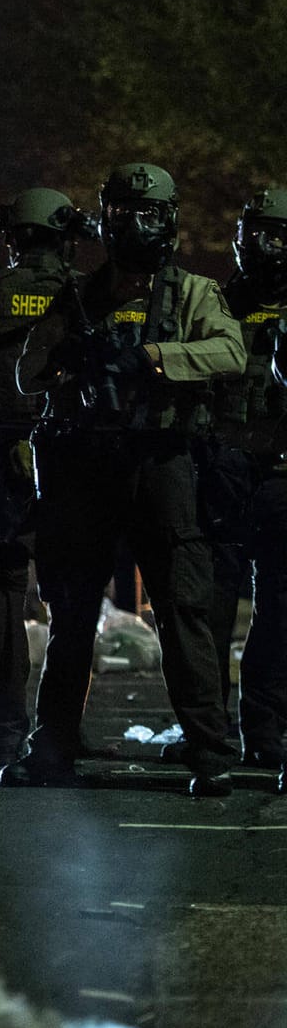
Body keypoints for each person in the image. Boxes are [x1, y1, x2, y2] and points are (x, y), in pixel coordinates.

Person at [7, 162, 246, 796]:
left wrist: (150, 359)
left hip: (161, 461)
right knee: (74, 615)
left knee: (182, 610)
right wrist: (66, 360)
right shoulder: (79, 296)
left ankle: (209, 752)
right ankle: (52, 747)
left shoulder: (191, 292)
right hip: (85, 466)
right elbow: (27, 375)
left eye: (150, 215)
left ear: (168, 221)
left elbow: (231, 352)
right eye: (122, 216)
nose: (136, 227)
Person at [0, 187, 92, 766]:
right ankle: (59, 733)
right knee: (71, 595)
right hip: (69, 453)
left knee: (4, 589)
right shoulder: (81, 297)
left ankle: (6, 732)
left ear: (13, 236)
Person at [198, 186, 287, 777]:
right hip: (226, 467)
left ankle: (264, 728)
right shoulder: (218, 302)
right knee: (211, 609)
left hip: (280, 471)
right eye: (256, 233)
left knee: (278, 609)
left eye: (276, 235)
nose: (264, 246)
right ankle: (208, 731)